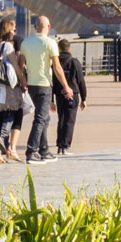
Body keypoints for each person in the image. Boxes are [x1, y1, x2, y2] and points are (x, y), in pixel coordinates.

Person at [19, 15, 74, 164]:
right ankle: (31, 151)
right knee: (40, 119)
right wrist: (66, 86)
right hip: (44, 84)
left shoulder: (26, 42)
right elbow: (56, 67)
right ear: (48, 27)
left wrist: (23, 79)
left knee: (44, 118)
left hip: (31, 85)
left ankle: (44, 150)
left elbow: (20, 65)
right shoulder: (50, 43)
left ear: (35, 27)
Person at [0, 19, 25, 164]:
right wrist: (23, 81)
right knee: (18, 113)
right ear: (7, 30)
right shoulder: (8, 46)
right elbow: (16, 66)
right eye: (13, 30)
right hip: (8, 85)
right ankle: (11, 148)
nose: (14, 32)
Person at [54, 37, 88, 157]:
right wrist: (84, 98)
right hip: (73, 93)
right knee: (70, 120)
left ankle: (59, 145)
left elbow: (53, 81)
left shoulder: (56, 62)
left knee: (61, 119)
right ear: (70, 48)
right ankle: (66, 146)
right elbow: (81, 81)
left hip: (59, 94)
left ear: (58, 49)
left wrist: (52, 99)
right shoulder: (74, 62)